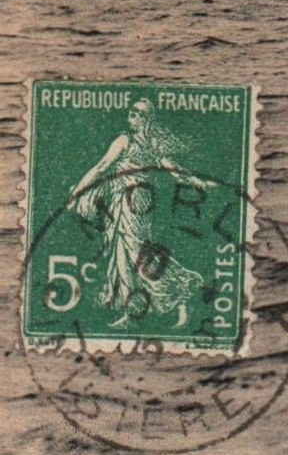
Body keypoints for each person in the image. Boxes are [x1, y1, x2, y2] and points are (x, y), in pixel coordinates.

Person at [67, 99, 210, 327]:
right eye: (132, 113)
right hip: (134, 201)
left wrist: (77, 191)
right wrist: (197, 181)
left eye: (139, 114)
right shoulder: (149, 143)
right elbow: (172, 169)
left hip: (131, 202)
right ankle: (131, 312)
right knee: (125, 253)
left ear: (148, 119)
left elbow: (102, 166)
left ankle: (182, 286)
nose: (133, 117)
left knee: (135, 254)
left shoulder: (126, 141)